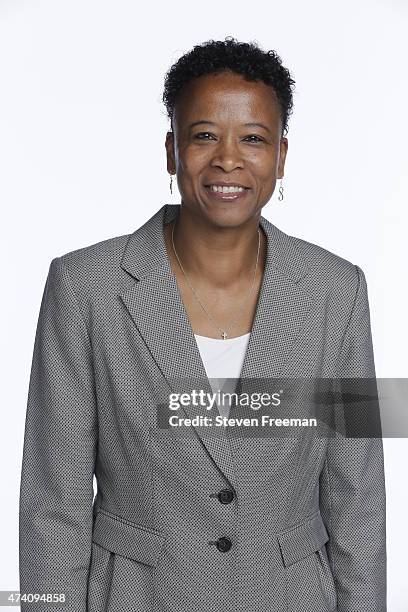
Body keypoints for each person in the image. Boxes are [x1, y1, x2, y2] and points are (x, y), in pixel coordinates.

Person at [19, 37, 386, 612]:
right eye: (205, 135)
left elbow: (357, 491)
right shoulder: (84, 287)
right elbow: (53, 500)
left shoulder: (337, 292)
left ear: (282, 156)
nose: (228, 160)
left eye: (254, 139)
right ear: (172, 151)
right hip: (139, 597)